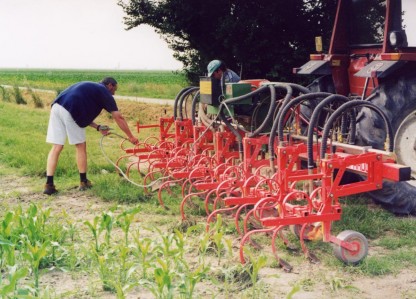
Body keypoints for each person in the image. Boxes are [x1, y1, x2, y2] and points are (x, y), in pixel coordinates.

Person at [43, 77, 139, 195]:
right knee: (80, 146)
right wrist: (131, 136)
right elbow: (118, 117)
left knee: (57, 146)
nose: (114, 93)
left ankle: (49, 185)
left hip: (57, 107)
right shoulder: (104, 92)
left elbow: (80, 113)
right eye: (114, 89)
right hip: (70, 109)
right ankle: (83, 182)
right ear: (110, 85)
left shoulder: (91, 88)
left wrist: (98, 127)